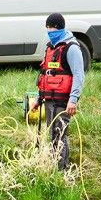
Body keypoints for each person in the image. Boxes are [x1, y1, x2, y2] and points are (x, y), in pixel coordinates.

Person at [35, 13, 85, 170]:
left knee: (60, 135)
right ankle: (54, 166)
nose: (49, 30)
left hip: (63, 101)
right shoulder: (51, 47)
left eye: (52, 28)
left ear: (59, 28)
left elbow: (79, 75)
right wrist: (38, 98)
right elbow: (46, 75)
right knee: (53, 135)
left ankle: (62, 171)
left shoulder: (72, 48)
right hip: (49, 100)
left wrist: (73, 100)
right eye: (47, 28)